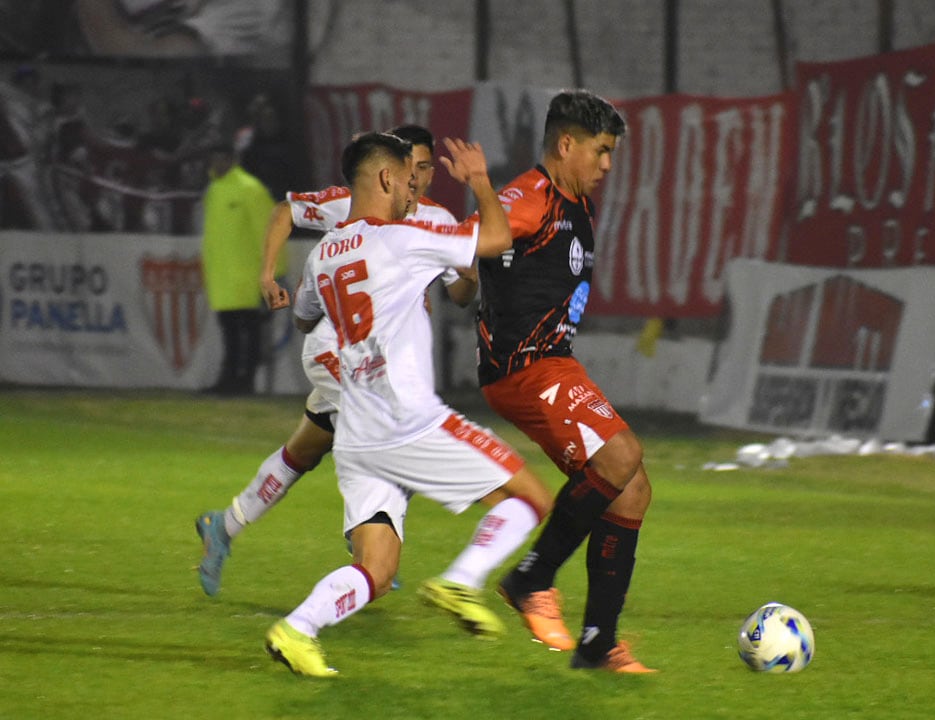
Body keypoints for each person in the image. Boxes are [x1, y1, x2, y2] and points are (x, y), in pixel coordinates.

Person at [265, 131, 551, 677]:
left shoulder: (323, 254)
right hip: (408, 421)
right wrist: (481, 182)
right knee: (532, 497)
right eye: (407, 175)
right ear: (385, 177)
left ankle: (296, 629)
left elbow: (304, 318)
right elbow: (494, 237)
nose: (413, 187)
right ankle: (462, 581)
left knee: (376, 567)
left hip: (356, 433)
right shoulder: (405, 237)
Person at [195, 125, 476, 597]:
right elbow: (286, 210)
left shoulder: (436, 219)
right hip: (333, 348)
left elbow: (461, 295)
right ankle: (368, 543)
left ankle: (225, 525)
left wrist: (466, 272)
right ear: (393, 171)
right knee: (396, 430)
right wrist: (267, 273)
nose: (421, 177)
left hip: (377, 361)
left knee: (302, 453)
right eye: (414, 167)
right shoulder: (354, 203)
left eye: (427, 168)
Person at [476, 90, 655, 673]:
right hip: (524, 367)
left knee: (631, 488)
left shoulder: (576, 203)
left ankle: (598, 645)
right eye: (601, 152)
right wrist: (465, 288)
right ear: (566, 144)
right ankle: (532, 578)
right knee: (621, 453)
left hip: (555, 362)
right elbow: (476, 235)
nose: (608, 165)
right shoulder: (531, 198)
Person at [199, 142, 276, 395]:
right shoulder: (215, 189)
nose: (216, 164)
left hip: (246, 276)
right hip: (223, 276)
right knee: (230, 331)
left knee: (247, 331)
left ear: (232, 159)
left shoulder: (249, 189)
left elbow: (267, 231)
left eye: (221, 158)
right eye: (213, 159)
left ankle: (245, 380)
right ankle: (230, 378)